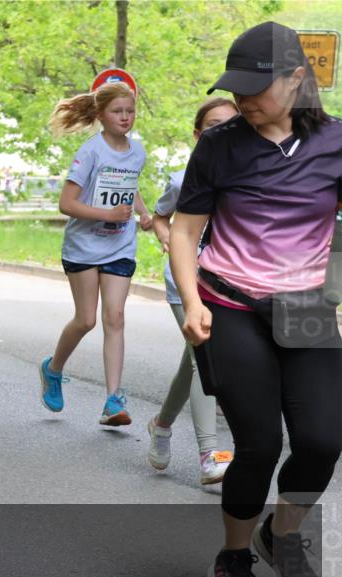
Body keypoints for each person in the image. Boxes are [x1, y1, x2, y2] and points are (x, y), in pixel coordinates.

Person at [170, 22, 342, 577]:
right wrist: (192, 302)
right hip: (231, 303)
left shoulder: (336, 142)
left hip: (305, 306)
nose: (242, 99)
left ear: (297, 80)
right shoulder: (219, 144)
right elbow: (186, 228)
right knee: (261, 442)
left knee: (323, 438)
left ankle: (281, 536)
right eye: (235, 87)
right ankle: (234, 552)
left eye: (256, 87)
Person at [37, 81, 152, 425]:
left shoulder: (138, 151)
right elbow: (66, 203)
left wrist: (142, 212)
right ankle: (53, 369)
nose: (125, 117)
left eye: (130, 111)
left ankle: (113, 400)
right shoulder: (90, 152)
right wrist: (107, 214)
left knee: (114, 318)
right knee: (86, 319)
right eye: (118, 111)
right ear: (101, 115)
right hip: (84, 247)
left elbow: (128, 185)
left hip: (119, 246)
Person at [146, 98, 239, 486]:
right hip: (185, 283)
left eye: (231, 126)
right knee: (205, 359)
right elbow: (159, 215)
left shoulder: (249, 176)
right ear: (198, 134)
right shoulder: (184, 178)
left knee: (194, 362)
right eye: (214, 125)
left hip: (227, 283)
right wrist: (170, 239)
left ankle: (161, 425)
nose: (222, 133)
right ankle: (209, 455)